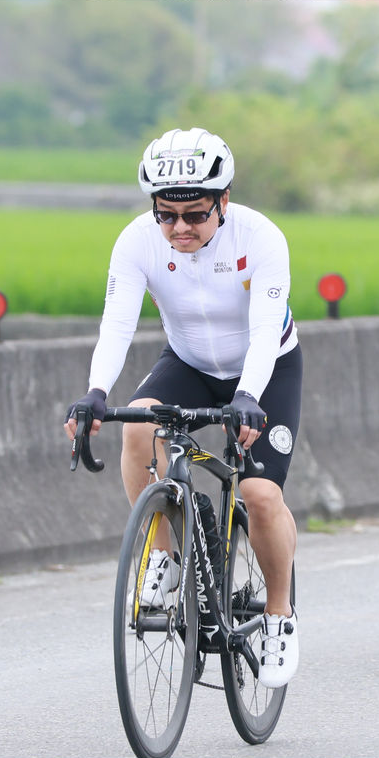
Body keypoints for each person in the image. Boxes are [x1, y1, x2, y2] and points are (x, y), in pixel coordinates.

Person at [64, 127, 301, 688]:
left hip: (265, 367)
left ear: (223, 201)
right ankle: (165, 556)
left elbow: (265, 331)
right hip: (190, 362)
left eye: (195, 215)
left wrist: (248, 396)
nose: (179, 228)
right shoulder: (137, 242)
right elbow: (117, 324)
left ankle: (279, 615)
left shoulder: (260, 238)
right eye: (166, 215)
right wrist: (96, 392)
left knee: (259, 495)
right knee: (138, 428)